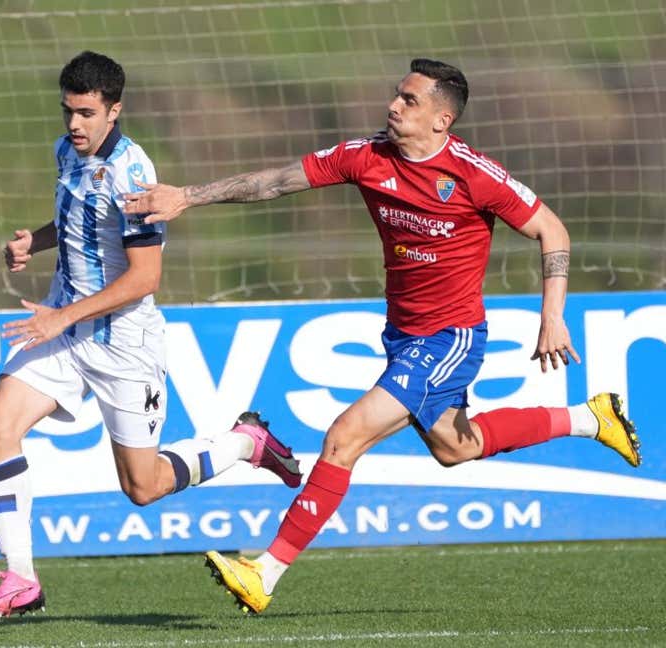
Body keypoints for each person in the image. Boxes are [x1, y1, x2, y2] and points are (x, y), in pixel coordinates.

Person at [122, 58, 642, 614]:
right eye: (396, 95)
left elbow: (551, 228)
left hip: (450, 337)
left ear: (443, 119)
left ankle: (263, 572)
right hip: (403, 334)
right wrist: (189, 196)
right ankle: (591, 418)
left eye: (409, 100)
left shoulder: (474, 174)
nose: (394, 106)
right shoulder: (364, 157)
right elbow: (274, 182)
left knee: (344, 436)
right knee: (453, 447)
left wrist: (553, 315)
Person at [0, 51, 304, 621]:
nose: (73, 124)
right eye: (67, 111)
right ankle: (20, 578)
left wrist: (60, 318)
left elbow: (145, 276)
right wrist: (35, 242)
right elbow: (81, 221)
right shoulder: (66, 151)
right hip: (66, 324)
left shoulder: (134, 174)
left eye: (85, 113)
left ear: (113, 110)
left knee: (143, 487)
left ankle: (245, 443)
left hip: (121, 340)